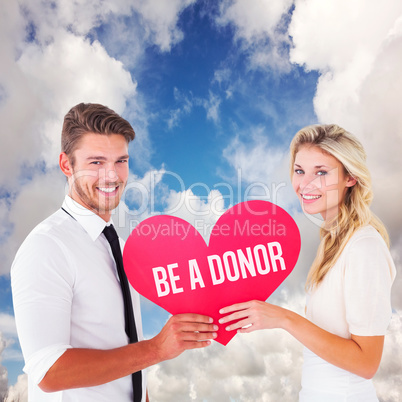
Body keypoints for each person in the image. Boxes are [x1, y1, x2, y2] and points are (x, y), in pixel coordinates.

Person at [11, 103, 218, 402]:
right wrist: (157, 349)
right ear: (66, 165)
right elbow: (48, 372)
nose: (112, 175)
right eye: (96, 162)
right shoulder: (46, 246)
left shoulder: (119, 247)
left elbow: (127, 344)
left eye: (120, 160)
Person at [219, 124, 396, 401]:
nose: (305, 185)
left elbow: (366, 363)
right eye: (300, 171)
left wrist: (284, 318)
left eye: (321, 173)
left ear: (350, 177)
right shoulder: (331, 243)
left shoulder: (364, 247)